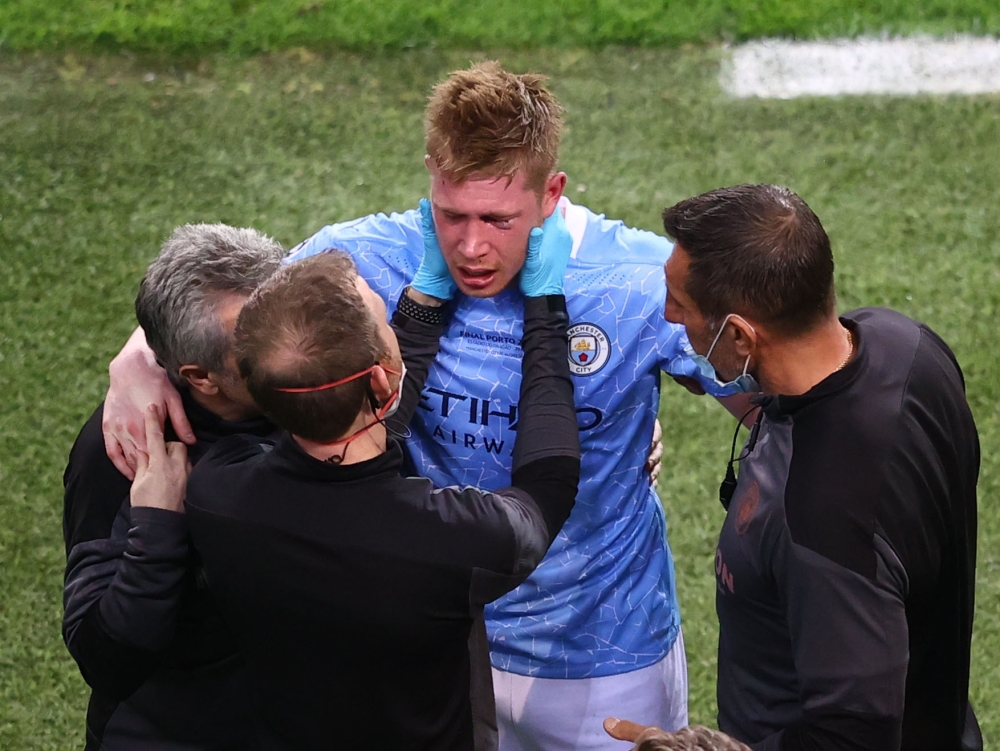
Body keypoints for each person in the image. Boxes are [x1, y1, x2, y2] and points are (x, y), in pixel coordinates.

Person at [101, 62, 743, 750]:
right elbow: (219, 313)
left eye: (498, 219)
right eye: (453, 213)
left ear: (551, 192)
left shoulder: (640, 278)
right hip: (439, 644)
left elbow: (772, 383)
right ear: (430, 175)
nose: (471, 245)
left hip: (604, 652)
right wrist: (135, 360)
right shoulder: (361, 261)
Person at [177, 211, 580, 748]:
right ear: (382, 381)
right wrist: (547, 313)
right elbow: (547, 485)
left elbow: (355, 427)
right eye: (385, 316)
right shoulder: (455, 539)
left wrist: (424, 303)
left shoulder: (215, 494)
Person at [612, 183, 981, 751]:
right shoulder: (907, 347)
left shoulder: (818, 520)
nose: (668, 316)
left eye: (680, 304)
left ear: (738, 334)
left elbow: (855, 732)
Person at [62, 224, 284, 749]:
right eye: (260, 346)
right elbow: (105, 659)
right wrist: (158, 533)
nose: (295, 348)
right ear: (200, 376)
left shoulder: (305, 397)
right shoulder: (124, 447)